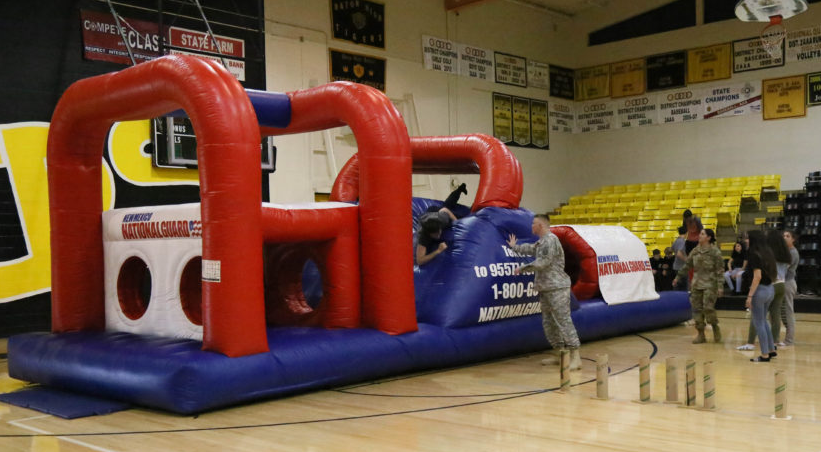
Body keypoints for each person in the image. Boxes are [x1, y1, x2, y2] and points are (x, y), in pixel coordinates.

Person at [508, 214, 581, 370]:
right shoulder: (542, 242)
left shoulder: (550, 240)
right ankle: (560, 354)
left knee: (563, 321)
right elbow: (531, 249)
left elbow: (543, 263)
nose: (531, 226)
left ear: (540, 225)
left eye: (533, 224)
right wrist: (515, 247)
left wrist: (522, 269)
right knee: (549, 323)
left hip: (557, 288)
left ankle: (575, 356)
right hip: (546, 288)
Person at [673, 228, 724, 343]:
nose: (699, 236)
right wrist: (678, 277)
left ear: (708, 237)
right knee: (696, 310)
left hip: (710, 285)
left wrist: (720, 286)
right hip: (696, 284)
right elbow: (687, 265)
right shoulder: (695, 251)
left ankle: (715, 327)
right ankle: (701, 334)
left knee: (708, 308)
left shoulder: (715, 252)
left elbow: (720, 270)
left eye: (702, 234)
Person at [743, 230, 778, 362]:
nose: (745, 241)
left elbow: (757, 276)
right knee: (764, 321)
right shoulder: (767, 252)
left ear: (753, 240)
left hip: (760, 291)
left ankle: (764, 355)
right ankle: (771, 350)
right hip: (770, 290)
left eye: (747, 238)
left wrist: (750, 296)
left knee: (759, 323)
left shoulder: (753, 254)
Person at [415, 184, 467, 265]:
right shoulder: (423, 236)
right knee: (445, 206)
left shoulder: (442, 219)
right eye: (435, 235)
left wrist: (457, 224)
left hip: (435, 211)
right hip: (427, 215)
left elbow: (445, 210)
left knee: (448, 207)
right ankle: (460, 189)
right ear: (429, 234)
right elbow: (420, 261)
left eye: (438, 232)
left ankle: (460, 189)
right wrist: (438, 251)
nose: (438, 236)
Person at [780, 230, 800, 346]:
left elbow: (783, 268)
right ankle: (778, 338)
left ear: (793, 239)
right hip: (782, 282)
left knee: (788, 311)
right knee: (782, 312)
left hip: (788, 283)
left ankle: (789, 340)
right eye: (783, 236)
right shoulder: (785, 251)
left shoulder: (792, 253)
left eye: (787, 236)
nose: (785, 237)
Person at [671, 226, 688, 291]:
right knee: (683, 288)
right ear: (686, 233)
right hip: (681, 267)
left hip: (676, 266)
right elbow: (679, 253)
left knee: (678, 286)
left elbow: (671, 249)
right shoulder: (682, 241)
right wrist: (687, 260)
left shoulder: (676, 240)